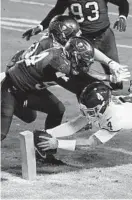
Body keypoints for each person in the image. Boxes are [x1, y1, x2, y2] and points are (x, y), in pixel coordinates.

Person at [22, 0, 129, 90]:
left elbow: (123, 3)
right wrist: (40, 26)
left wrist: (122, 17)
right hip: (82, 39)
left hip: (105, 35)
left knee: (116, 71)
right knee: (81, 73)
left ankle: (116, 95)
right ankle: (91, 102)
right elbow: (57, 10)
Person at [35, 81, 132, 154]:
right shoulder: (102, 106)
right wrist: (48, 132)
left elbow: (90, 143)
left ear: (102, 106)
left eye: (90, 111)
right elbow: (73, 125)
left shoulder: (116, 119)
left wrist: (58, 143)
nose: (86, 114)